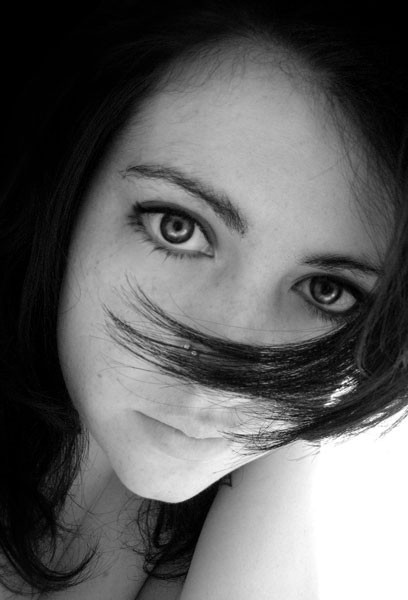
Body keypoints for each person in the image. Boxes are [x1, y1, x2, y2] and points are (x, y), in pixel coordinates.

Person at [1, 0, 408, 597]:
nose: (220, 377)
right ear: (68, 186)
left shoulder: (262, 477)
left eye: (328, 291)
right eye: (179, 228)